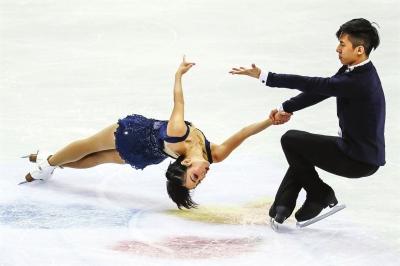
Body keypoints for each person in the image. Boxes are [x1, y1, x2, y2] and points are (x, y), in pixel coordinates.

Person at [23, 56, 275, 209]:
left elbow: (179, 102)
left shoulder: (178, 132)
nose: (203, 177)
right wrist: (269, 120)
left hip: (135, 135)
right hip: (149, 153)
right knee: (97, 157)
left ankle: (49, 161)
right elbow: (244, 133)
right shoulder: (215, 155)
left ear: (186, 162)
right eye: (199, 180)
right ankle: (51, 162)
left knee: (92, 148)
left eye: (195, 178)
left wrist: (178, 75)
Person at [230, 18, 385, 225]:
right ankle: (283, 206)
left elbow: (313, 84)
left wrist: (266, 76)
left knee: (291, 140)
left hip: (358, 160)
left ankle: (319, 193)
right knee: (301, 150)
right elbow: (320, 92)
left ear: (359, 50)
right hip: (353, 149)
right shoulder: (356, 72)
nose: (337, 49)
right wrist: (285, 107)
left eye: (342, 44)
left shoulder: (357, 81)